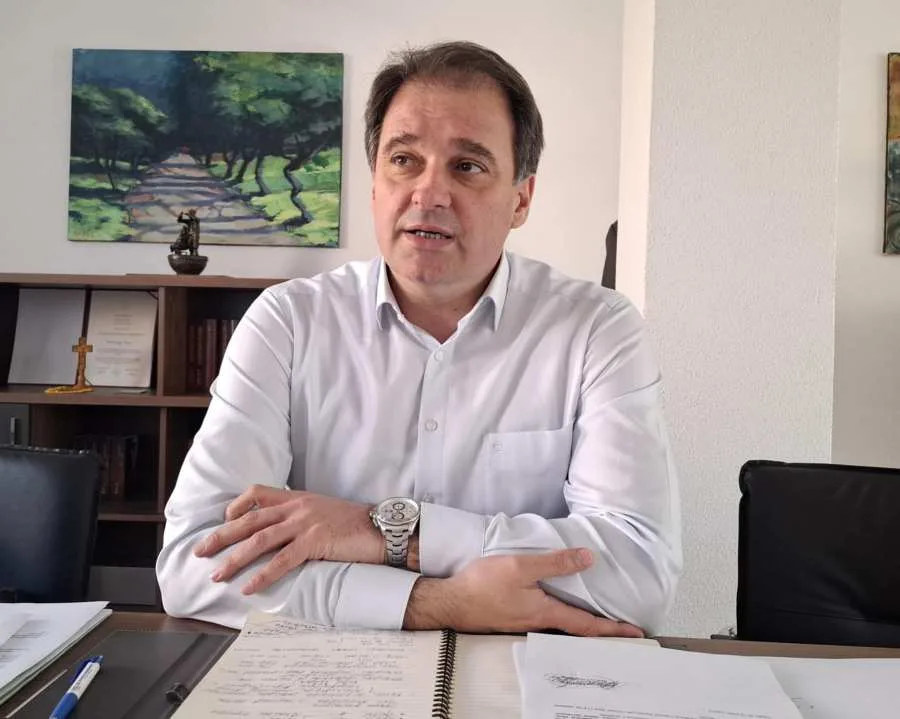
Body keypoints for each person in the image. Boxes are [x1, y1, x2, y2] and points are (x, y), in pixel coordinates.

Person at [156, 41, 681, 638]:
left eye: (468, 166)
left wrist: (379, 530)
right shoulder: (288, 323)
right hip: (331, 676)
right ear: (374, 187)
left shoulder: (596, 330)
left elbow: (640, 576)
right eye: (404, 160)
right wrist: (435, 603)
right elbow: (195, 565)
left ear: (521, 200)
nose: (428, 194)